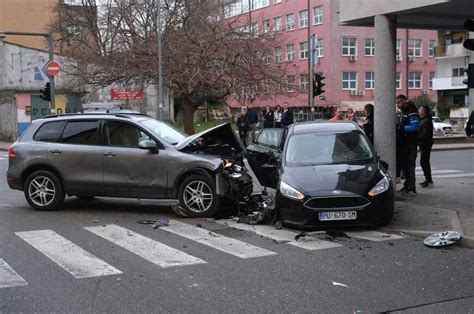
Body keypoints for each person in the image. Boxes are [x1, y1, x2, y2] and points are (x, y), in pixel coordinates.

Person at [396, 94, 420, 195]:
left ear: (405, 101)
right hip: (405, 143)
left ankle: (410, 187)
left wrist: (402, 129)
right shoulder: (404, 111)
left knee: (410, 165)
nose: (397, 105)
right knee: (405, 165)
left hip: (411, 143)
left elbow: (415, 126)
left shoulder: (411, 111)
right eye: (396, 103)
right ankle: (407, 186)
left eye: (399, 102)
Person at [418, 105, 434, 188]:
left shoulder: (426, 121)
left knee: (424, 162)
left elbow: (426, 134)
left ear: (424, 111)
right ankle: (428, 179)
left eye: (420, 109)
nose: (419, 111)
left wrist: (417, 138)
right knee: (424, 162)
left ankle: (429, 180)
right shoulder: (424, 120)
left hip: (425, 144)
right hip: (424, 144)